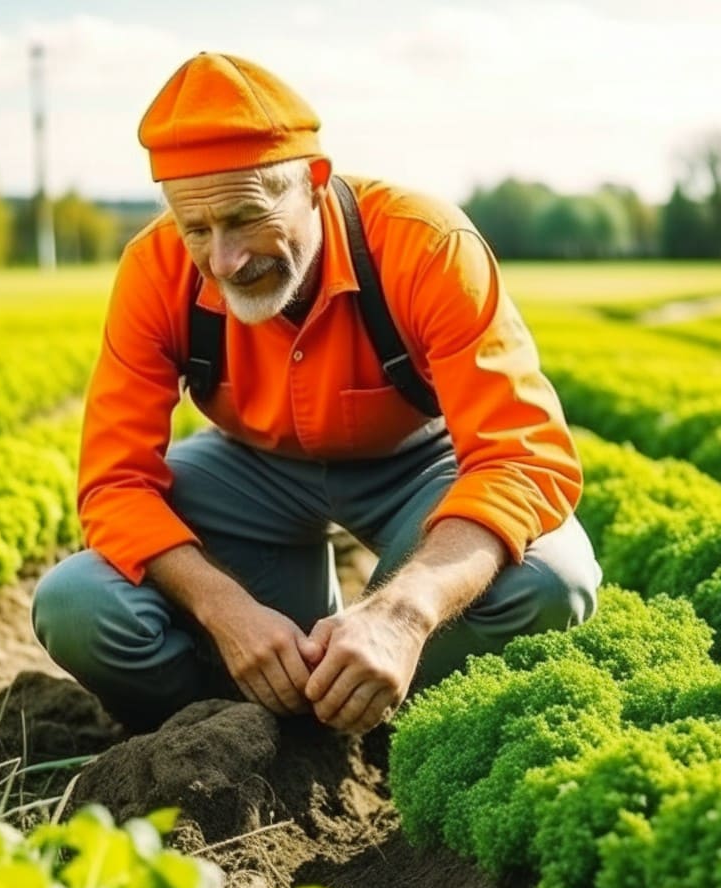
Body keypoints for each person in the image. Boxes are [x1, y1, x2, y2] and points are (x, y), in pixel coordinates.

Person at [32, 52, 602, 736]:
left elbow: (523, 458)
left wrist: (405, 612)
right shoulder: (153, 273)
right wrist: (226, 612)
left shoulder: (424, 245)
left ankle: (390, 720)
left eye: (246, 217)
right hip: (249, 474)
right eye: (197, 229)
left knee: (554, 579)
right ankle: (243, 728)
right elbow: (114, 484)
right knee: (77, 604)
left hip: (418, 469)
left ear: (314, 182)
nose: (224, 261)